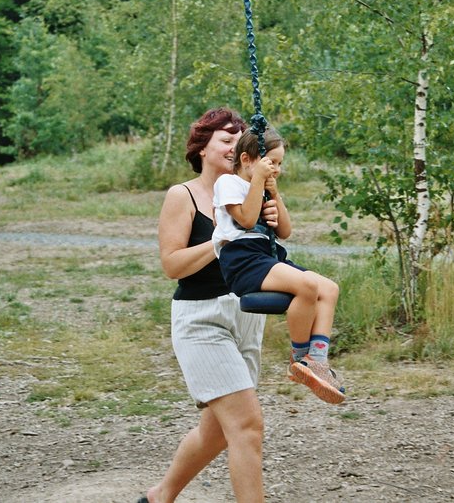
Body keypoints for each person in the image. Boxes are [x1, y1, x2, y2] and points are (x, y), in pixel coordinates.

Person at [141, 108, 276, 503]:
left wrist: (269, 213)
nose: (235, 147)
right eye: (225, 140)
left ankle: (160, 496)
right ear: (202, 147)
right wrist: (219, 241)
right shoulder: (181, 195)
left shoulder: (248, 194)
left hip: (246, 316)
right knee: (247, 425)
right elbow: (172, 265)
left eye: (239, 141)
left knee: (216, 432)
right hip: (202, 318)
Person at [212, 126, 345, 405]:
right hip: (242, 259)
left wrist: (275, 195)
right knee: (307, 286)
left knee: (329, 289)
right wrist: (260, 183)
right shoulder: (228, 183)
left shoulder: (263, 187)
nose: (276, 169)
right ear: (246, 159)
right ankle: (299, 359)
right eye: (271, 162)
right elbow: (247, 220)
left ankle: (317, 360)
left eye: (280, 164)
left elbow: (285, 231)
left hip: (266, 256)